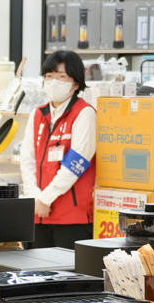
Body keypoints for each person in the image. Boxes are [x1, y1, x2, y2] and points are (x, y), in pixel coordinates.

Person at [19, 51, 97, 250]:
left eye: (62, 76)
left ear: (76, 83)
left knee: (70, 278)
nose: (54, 82)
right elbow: (26, 160)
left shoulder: (84, 113)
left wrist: (46, 199)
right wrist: (35, 198)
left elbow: (76, 164)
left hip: (72, 218)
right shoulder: (38, 114)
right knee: (35, 277)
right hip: (36, 215)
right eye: (49, 76)